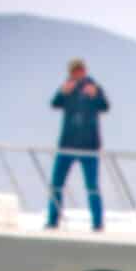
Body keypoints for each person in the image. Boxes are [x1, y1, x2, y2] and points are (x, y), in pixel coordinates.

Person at [45, 58, 109, 231]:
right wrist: (63, 92)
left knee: (92, 186)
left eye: (79, 71)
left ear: (84, 71)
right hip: (67, 145)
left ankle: (97, 223)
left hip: (89, 147)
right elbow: (54, 103)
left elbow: (105, 106)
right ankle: (52, 219)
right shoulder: (68, 87)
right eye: (74, 71)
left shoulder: (94, 87)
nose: (77, 74)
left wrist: (95, 95)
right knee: (56, 184)